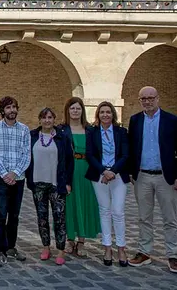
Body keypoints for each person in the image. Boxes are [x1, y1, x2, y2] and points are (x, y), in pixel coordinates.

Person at [127, 86, 177, 274]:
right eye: (143, 98)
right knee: (144, 217)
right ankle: (144, 252)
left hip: (165, 177)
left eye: (151, 98)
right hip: (142, 176)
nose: (147, 101)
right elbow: (131, 148)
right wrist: (131, 172)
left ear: (158, 98)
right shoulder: (135, 120)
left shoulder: (172, 120)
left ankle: (173, 255)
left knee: (170, 218)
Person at [26, 108, 74, 266]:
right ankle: (45, 247)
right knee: (42, 218)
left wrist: (68, 183)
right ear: (39, 120)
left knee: (59, 218)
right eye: (44, 118)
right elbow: (27, 157)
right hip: (38, 183)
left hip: (56, 183)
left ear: (54, 119)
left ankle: (60, 250)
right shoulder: (32, 136)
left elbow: (69, 161)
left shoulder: (62, 137)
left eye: (50, 117)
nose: (47, 120)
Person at [85, 101, 129, 267]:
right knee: (104, 211)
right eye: (102, 112)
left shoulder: (121, 132)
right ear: (98, 114)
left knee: (118, 211)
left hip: (118, 175)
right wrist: (104, 171)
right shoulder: (92, 132)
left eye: (108, 112)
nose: (105, 115)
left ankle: (121, 247)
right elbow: (90, 155)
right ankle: (107, 247)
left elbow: (125, 155)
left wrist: (113, 172)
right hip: (99, 175)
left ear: (113, 114)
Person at [0, 96, 31, 267]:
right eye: (8, 107)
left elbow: (26, 155)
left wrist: (15, 173)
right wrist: (6, 174)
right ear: (2, 110)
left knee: (14, 215)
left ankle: (11, 247)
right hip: (1, 178)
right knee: (1, 215)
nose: (11, 110)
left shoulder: (24, 130)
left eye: (14, 107)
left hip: (18, 178)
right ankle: (1, 251)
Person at [59, 97, 100, 258]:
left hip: (86, 171)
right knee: (69, 204)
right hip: (70, 170)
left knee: (84, 203)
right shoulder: (62, 130)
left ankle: (81, 241)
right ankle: (70, 239)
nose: (75, 111)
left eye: (78, 108)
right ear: (67, 111)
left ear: (82, 111)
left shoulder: (90, 130)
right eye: (72, 108)